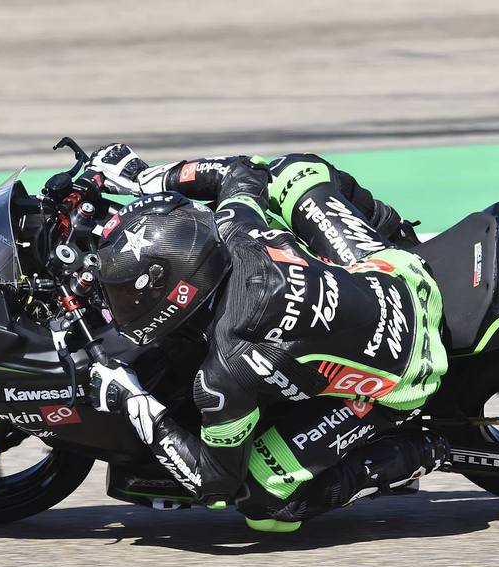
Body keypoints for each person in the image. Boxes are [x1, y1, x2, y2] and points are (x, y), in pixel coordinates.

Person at [86, 144, 450, 531]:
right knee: (294, 171)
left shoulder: (225, 369)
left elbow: (215, 483)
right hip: (401, 273)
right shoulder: (235, 228)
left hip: (411, 372)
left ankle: (413, 454)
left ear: (178, 290)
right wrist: (146, 178)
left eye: (126, 293)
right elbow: (243, 170)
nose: (115, 304)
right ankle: (395, 232)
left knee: (260, 500)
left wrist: (133, 399)